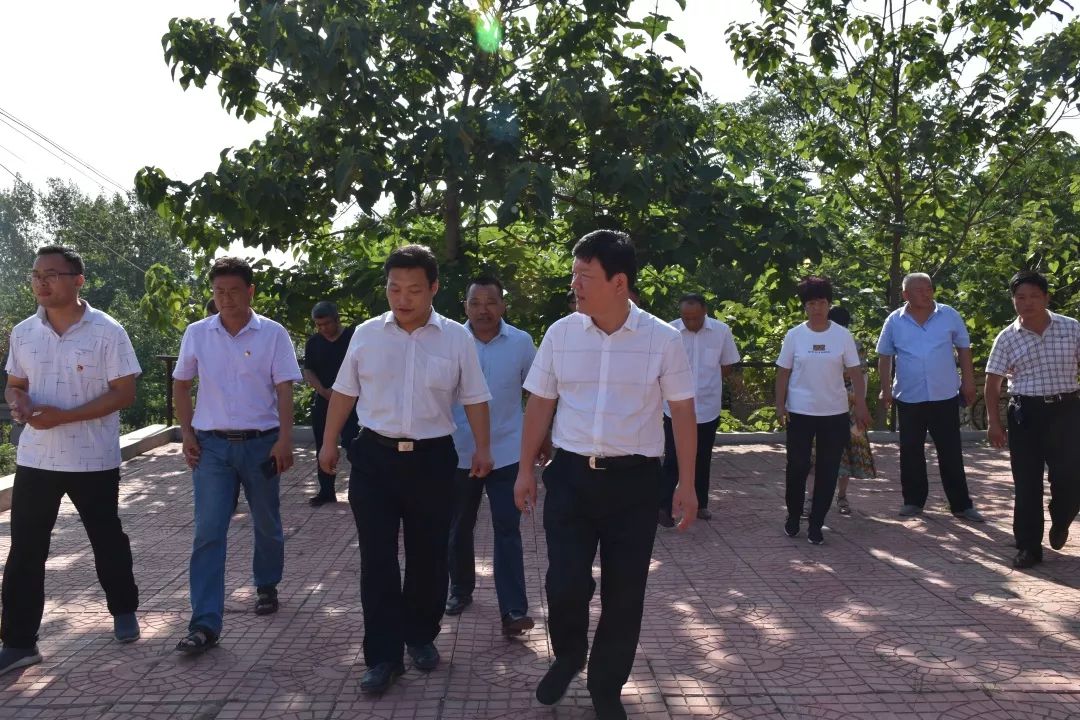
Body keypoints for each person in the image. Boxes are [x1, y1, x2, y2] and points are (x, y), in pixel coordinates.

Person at [514, 230, 699, 720]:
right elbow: (540, 404)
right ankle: (569, 654)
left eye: (585, 276)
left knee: (625, 592)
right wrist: (525, 469)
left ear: (619, 282)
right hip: (571, 477)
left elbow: (682, 411)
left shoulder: (662, 339)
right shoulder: (561, 334)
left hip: (634, 484)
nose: (574, 285)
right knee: (564, 582)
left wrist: (686, 483)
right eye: (573, 274)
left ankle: (606, 686)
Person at [318, 244, 493, 695]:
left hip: (432, 460)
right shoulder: (366, 335)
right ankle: (383, 656)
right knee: (377, 559)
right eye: (395, 288)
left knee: (428, 556)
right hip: (374, 459)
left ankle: (420, 635)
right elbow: (344, 391)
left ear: (434, 288)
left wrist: (483, 449)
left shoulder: (456, 338)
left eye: (414, 289)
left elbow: (475, 397)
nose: (403, 298)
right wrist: (328, 443)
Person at [1, 245, 142, 676]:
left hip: (92, 458)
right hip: (37, 457)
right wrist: (19, 401)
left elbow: (125, 393)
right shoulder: (24, 332)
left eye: (52, 274)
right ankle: (19, 642)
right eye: (36, 275)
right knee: (26, 549)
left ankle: (123, 608)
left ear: (78, 280)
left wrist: (64, 416)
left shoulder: (107, 331)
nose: (41, 282)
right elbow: (14, 383)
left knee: (106, 537)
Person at [171, 257, 302, 654]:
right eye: (219, 292)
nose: (225, 299)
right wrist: (187, 433)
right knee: (208, 530)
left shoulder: (272, 334)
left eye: (233, 291)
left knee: (266, 521)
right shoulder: (198, 333)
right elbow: (181, 384)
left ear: (250, 292)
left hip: (262, 443)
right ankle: (204, 623)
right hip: (211, 446)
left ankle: (266, 584)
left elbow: (284, 388)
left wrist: (285, 439)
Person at [445, 275, 536, 637]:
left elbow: (538, 393)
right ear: (465, 306)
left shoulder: (521, 342)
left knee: (508, 528)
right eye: (476, 303)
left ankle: (513, 609)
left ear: (503, 305)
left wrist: (541, 436)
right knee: (458, 527)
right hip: (458, 451)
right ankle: (460, 588)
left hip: (508, 452)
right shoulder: (449, 339)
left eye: (491, 302)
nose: (483, 310)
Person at [985, 270, 1080, 569]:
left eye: (1034, 297)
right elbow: (992, 383)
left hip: (1066, 410)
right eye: (1020, 297)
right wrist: (994, 422)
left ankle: (1061, 517)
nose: (1027, 303)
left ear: (1046, 298)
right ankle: (1028, 547)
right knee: (1026, 483)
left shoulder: (1071, 328)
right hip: (1025, 414)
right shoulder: (1006, 338)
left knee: (1070, 476)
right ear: (1013, 300)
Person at [877, 272, 984, 521]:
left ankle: (961, 505)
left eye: (929, 288)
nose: (926, 293)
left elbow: (964, 349)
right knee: (910, 450)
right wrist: (885, 388)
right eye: (919, 290)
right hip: (909, 395)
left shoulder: (949, 314)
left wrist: (968, 382)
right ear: (905, 294)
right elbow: (884, 356)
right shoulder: (894, 320)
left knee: (950, 451)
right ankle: (913, 501)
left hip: (944, 394)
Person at [775, 277, 870, 545]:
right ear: (805, 306)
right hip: (800, 411)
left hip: (834, 412)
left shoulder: (842, 335)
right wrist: (780, 405)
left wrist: (861, 405)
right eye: (811, 304)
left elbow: (855, 372)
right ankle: (794, 516)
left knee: (829, 469)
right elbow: (783, 373)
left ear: (829, 304)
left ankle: (817, 523)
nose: (817, 308)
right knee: (798, 465)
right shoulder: (794, 335)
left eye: (821, 303)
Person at [659, 293, 740, 526]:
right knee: (672, 457)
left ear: (705, 312)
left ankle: (701, 503)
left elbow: (727, 365)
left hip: (707, 407)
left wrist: (708, 381)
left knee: (702, 457)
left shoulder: (721, 331)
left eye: (695, 318)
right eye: (686, 318)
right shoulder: (669, 332)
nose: (691, 322)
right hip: (674, 407)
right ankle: (665, 507)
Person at [804, 306, 877, 517]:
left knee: (821, 454)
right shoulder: (851, 343)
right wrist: (861, 404)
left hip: (835, 405)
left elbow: (859, 376)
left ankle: (812, 500)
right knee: (841, 454)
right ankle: (840, 497)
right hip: (843, 406)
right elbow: (863, 378)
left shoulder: (851, 344)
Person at [302, 301, 359, 506]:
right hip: (324, 400)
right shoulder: (314, 343)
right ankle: (326, 491)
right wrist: (323, 391)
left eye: (327, 323)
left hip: (354, 402)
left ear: (337, 319)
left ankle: (360, 490)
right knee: (323, 445)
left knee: (354, 444)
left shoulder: (353, 338)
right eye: (319, 325)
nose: (323, 328)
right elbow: (308, 370)